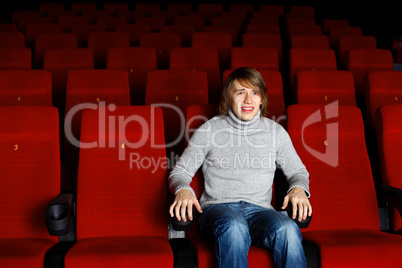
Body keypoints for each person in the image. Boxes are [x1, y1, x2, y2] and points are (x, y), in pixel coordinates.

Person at [168, 67, 312, 268]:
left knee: (287, 228)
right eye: (240, 92)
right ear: (229, 98)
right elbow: (180, 172)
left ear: (262, 99)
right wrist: (183, 189)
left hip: (260, 212)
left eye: (254, 93)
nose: (248, 100)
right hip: (218, 210)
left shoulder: (276, 132)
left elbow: (298, 172)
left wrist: (298, 188)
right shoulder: (210, 129)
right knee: (235, 226)